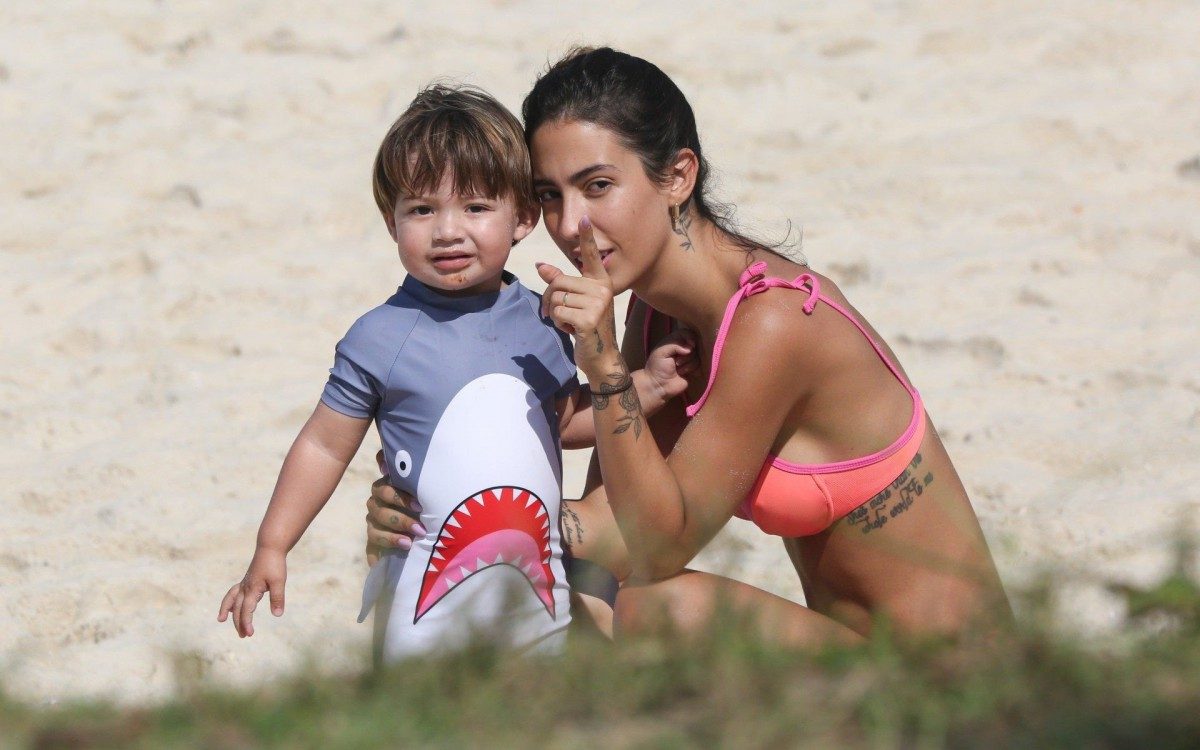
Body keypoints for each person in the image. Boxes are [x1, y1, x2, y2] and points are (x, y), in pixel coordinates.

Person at [366, 48, 1011, 646]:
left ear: (677, 177)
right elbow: (612, 536)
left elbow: (658, 551)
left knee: (658, 609)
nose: (569, 224)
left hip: (956, 691)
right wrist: (442, 512)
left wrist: (607, 371)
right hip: (855, 669)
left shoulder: (776, 322)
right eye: (549, 195)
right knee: (589, 596)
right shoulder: (657, 313)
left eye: (597, 186)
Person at [217, 83, 695, 660]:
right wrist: (273, 545)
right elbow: (322, 445)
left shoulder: (542, 319)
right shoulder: (380, 337)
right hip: (423, 606)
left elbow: (563, 422)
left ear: (522, 218)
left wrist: (647, 386)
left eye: (475, 208)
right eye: (422, 209)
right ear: (391, 222)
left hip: (537, 599)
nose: (447, 231)